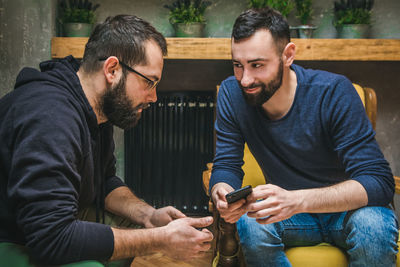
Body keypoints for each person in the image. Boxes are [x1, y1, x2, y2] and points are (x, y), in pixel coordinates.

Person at [0, 14, 213, 266]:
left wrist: (150, 216)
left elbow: (104, 181)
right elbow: (52, 239)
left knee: (132, 228)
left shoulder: (96, 109)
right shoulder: (51, 116)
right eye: (149, 82)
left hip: (41, 228)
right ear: (112, 70)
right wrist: (160, 239)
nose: (154, 97)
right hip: (13, 236)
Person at [210, 8, 398, 267]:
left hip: (348, 213)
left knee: (374, 225)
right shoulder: (232, 94)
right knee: (251, 221)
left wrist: (298, 200)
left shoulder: (333, 92)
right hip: (292, 219)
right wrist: (222, 191)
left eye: (257, 65)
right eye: (237, 66)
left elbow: (379, 182)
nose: (245, 79)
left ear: (288, 55)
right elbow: (226, 166)